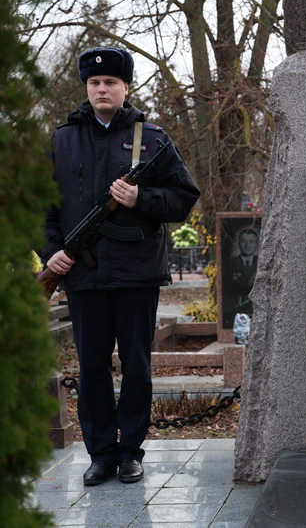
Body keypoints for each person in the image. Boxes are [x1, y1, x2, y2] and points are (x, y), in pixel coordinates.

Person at [42, 47, 200, 485]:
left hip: (136, 273)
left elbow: (184, 198)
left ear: (125, 87)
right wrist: (49, 251)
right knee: (91, 366)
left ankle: (130, 451)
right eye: (94, 83)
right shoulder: (61, 140)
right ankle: (101, 455)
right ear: (86, 88)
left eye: (110, 82)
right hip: (81, 274)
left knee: (135, 365)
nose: (101, 89)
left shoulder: (151, 139)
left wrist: (142, 199)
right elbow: (40, 206)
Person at [229, 226, 259, 313]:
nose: (247, 245)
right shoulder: (233, 262)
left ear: (257, 244)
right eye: (243, 241)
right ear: (238, 243)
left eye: (251, 242)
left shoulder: (261, 263)